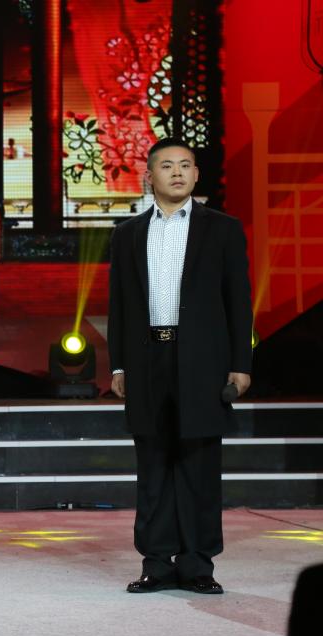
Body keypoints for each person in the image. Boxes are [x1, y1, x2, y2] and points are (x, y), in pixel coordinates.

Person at [108, 137, 252, 595]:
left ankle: (197, 564)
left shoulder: (222, 229)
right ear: (148, 176)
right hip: (146, 359)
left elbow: (239, 301)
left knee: (199, 466)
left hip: (202, 362)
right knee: (152, 465)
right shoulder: (128, 233)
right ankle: (156, 562)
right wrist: (118, 366)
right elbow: (119, 306)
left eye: (185, 165)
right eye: (167, 165)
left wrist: (240, 363)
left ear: (196, 175)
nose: (177, 173)